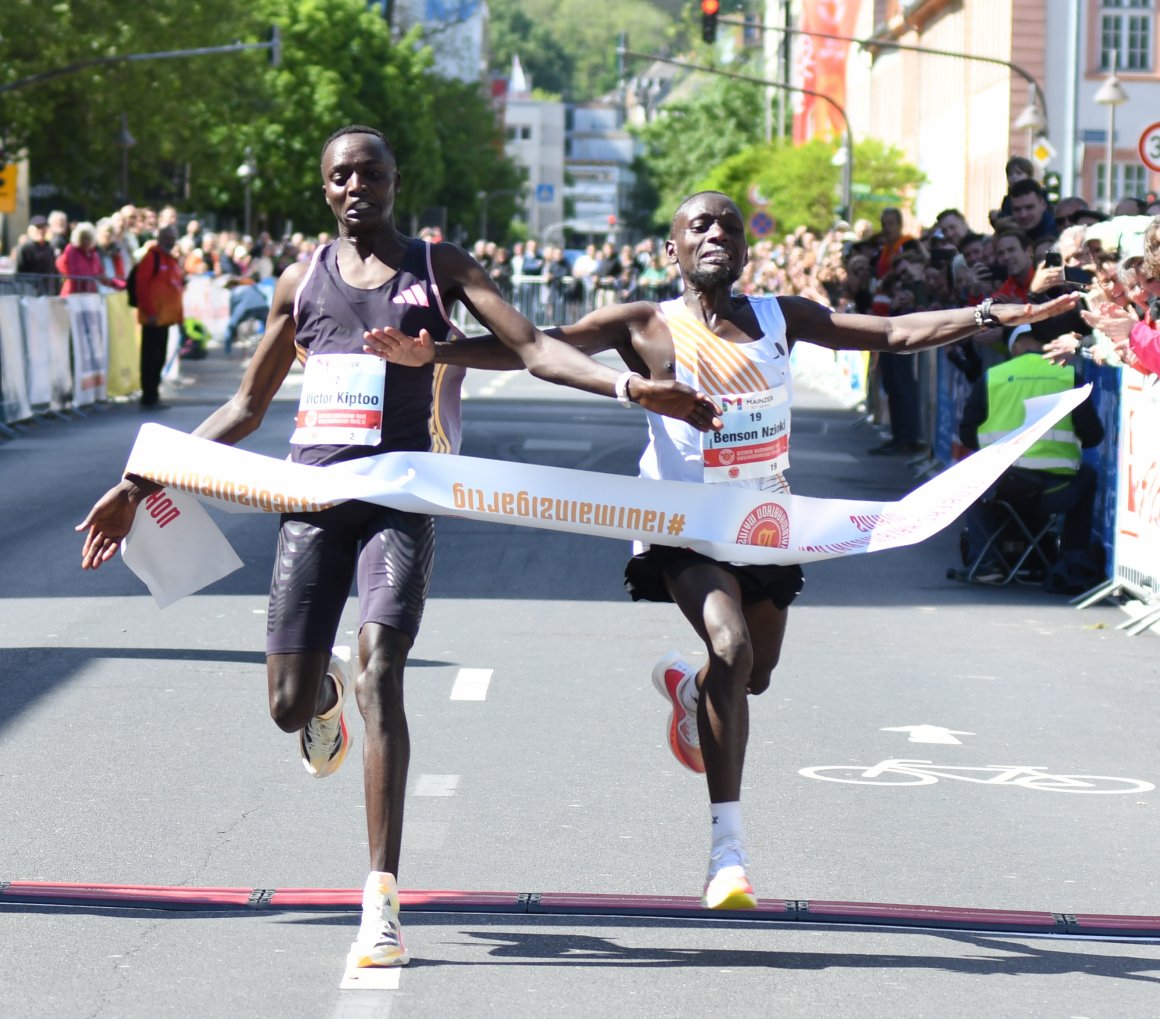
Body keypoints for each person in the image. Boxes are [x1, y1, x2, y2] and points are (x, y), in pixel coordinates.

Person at [77, 126, 717, 970]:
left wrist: (635, 388)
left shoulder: (438, 270)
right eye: (339, 174)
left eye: (369, 172)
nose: (355, 186)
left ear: (393, 181)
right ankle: (321, 697)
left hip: (401, 502)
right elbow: (243, 408)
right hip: (311, 501)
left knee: (385, 668)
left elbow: (531, 347)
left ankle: (380, 898)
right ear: (325, 190)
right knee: (284, 704)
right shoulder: (298, 282)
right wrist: (138, 483)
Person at [364, 190, 1078, 911]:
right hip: (684, 525)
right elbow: (538, 345)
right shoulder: (644, 323)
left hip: (766, 526)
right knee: (732, 650)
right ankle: (727, 853)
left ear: (743, 250)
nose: (715, 234)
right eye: (698, 225)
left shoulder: (780, 317)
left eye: (728, 226)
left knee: (752, 675)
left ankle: (689, 687)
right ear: (671, 249)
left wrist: (991, 314)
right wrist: (439, 353)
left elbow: (892, 334)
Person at [959, 326, 1105, 589]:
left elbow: (968, 435)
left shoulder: (993, 376)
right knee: (1088, 476)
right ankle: (1070, 562)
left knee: (972, 476)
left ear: (1015, 347)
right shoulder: (1070, 376)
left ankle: (986, 563)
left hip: (1002, 489)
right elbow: (1093, 435)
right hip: (1056, 492)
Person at [133, 225, 185, 407]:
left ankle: (154, 394)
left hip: (166, 319)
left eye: (173, 237)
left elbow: (176, 290)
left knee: (160, 357)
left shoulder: (172, 261)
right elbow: (142, 285)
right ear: (161, 238)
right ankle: (148, 396)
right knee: (150, 358)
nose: (170, 241)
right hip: (153, 318)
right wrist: (150, 312)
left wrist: (179, 318)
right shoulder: (152, 257)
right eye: (167, 237)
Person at [15, 215, 59, 295]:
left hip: (47, 291)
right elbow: (19, 272)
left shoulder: (50, 248)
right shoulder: (25, 248)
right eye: (38, 227)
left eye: (43, 227)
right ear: (31, 230)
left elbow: (54, 270)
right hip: (30, 291)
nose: (41, 230)